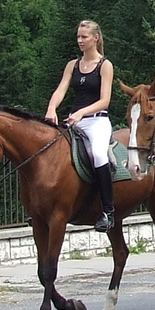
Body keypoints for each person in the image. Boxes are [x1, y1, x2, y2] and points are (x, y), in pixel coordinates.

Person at [45, 19, 117, 232]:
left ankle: (108, 210)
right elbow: (60, 90)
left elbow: (105, 100)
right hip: (74, 120)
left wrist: (81, 113)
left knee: (98, 154)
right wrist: (52, 109)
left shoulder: (105, 65)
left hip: (97, 120)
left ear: (95, 38)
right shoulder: (72, 65)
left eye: (84, 36)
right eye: (78, 36)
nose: (80, 40)